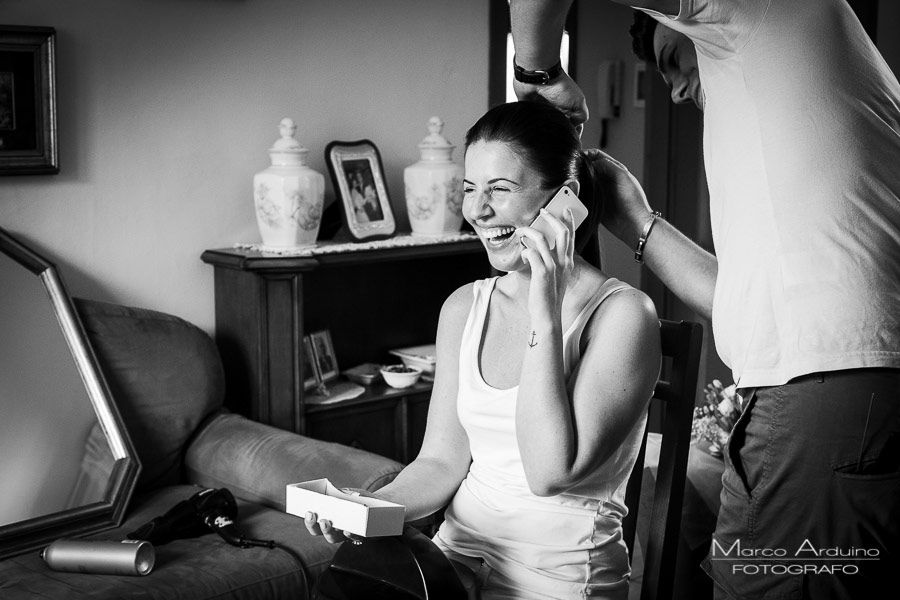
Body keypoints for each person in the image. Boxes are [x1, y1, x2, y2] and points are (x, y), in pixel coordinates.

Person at [508, 1, 900, 598]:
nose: (677, 92)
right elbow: (737, 301)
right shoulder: (812, 105)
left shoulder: (767, 9)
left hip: (825, 399)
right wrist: (636, 219)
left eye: (674, 59)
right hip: (844, 395)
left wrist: (537, 76)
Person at [306, 100, 661, 599]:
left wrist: (546, 308)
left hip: (556, 578)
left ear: (566, 201)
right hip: (452, 565)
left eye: (500, 189)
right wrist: (373, 508)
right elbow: (441, 461)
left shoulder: (625, 317)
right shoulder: (463, 307)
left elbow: (548, 472)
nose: (476, 210)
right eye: (470, 189)